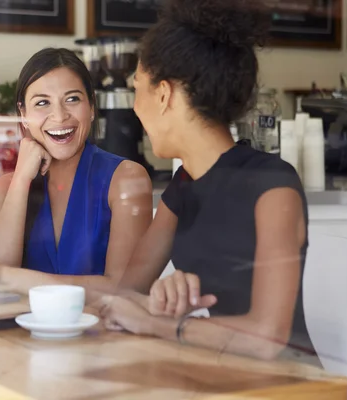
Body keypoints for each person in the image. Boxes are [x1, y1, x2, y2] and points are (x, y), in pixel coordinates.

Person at [98, 0, 315, 363]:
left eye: (138, 89)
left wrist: (161, 325)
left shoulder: (273, 185)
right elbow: (126, 296)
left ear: (164, 94)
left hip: (292, 385)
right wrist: (163, 302)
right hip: (222, 373)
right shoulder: (184, 184)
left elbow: (268, 338)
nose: (135, 107)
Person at [0, 48, 152, 295]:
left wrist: (8, 277)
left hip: (102, 331)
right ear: (23, 114)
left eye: (72, 99)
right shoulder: (6, 188)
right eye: (42, 103)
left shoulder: (125, 179)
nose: (60, 116)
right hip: (17, 331)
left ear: (92, 106)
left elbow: (125, 290)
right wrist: (21, 180)